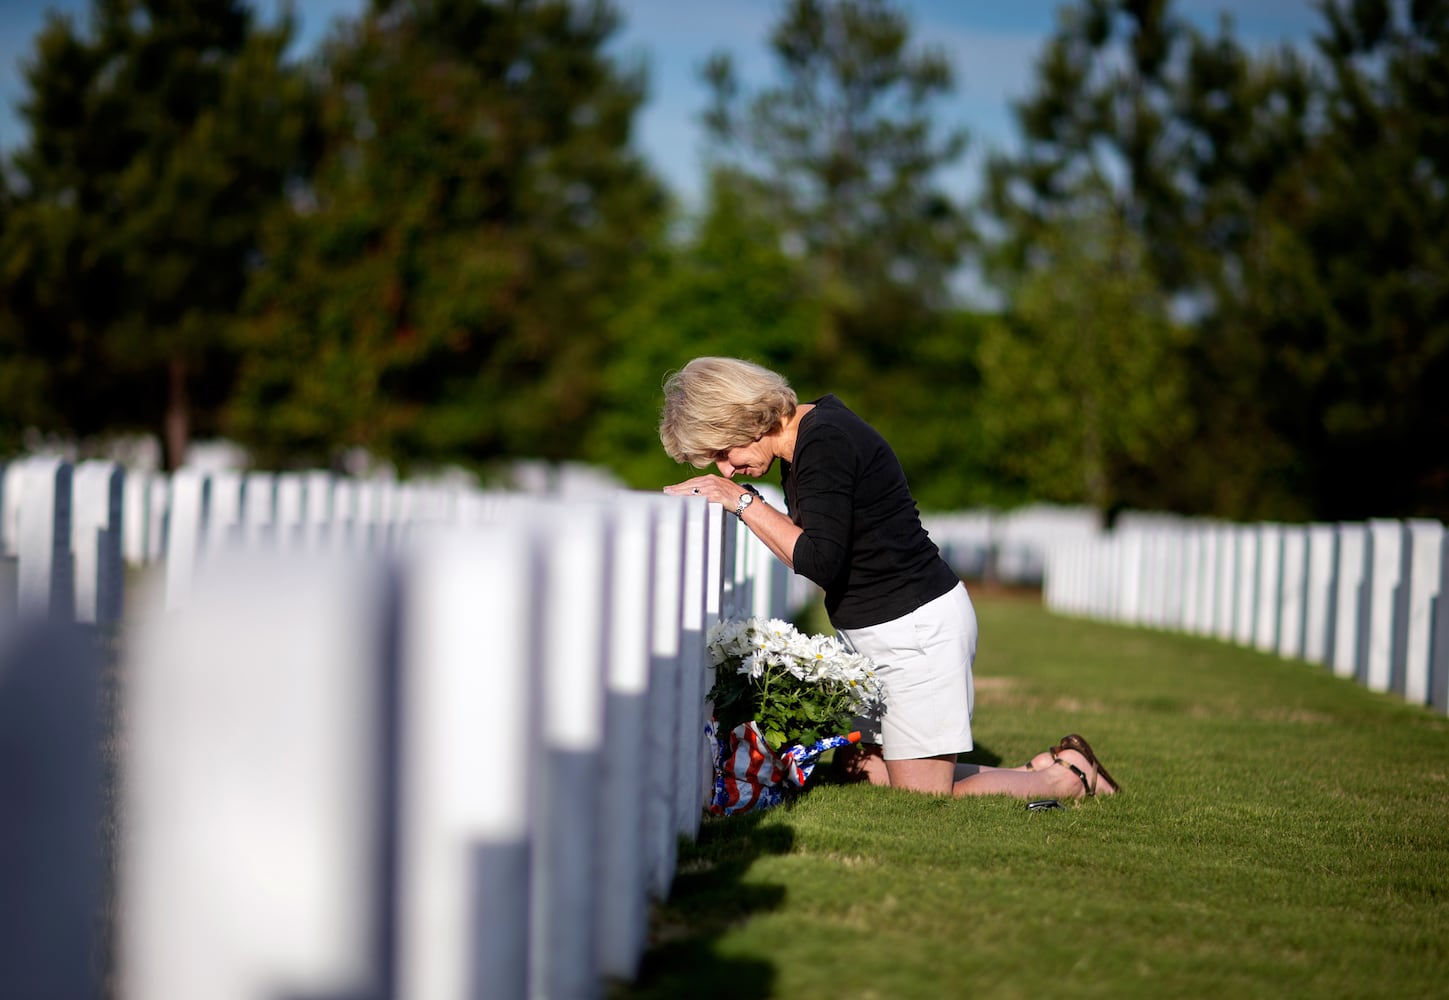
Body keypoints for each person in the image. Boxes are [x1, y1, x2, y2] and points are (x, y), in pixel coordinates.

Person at [659, 356, 1120, 800]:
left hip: (914, 632)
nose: (724, 469)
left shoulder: (825, 441)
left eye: (723, 452)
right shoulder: (805, 443)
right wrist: (745, 501)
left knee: (922, 795)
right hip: (886, 633)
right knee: (864, 772)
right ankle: (1035, 770)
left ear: (742, 418)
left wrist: (741, 501)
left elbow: (820, 561)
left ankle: (1069, 780)